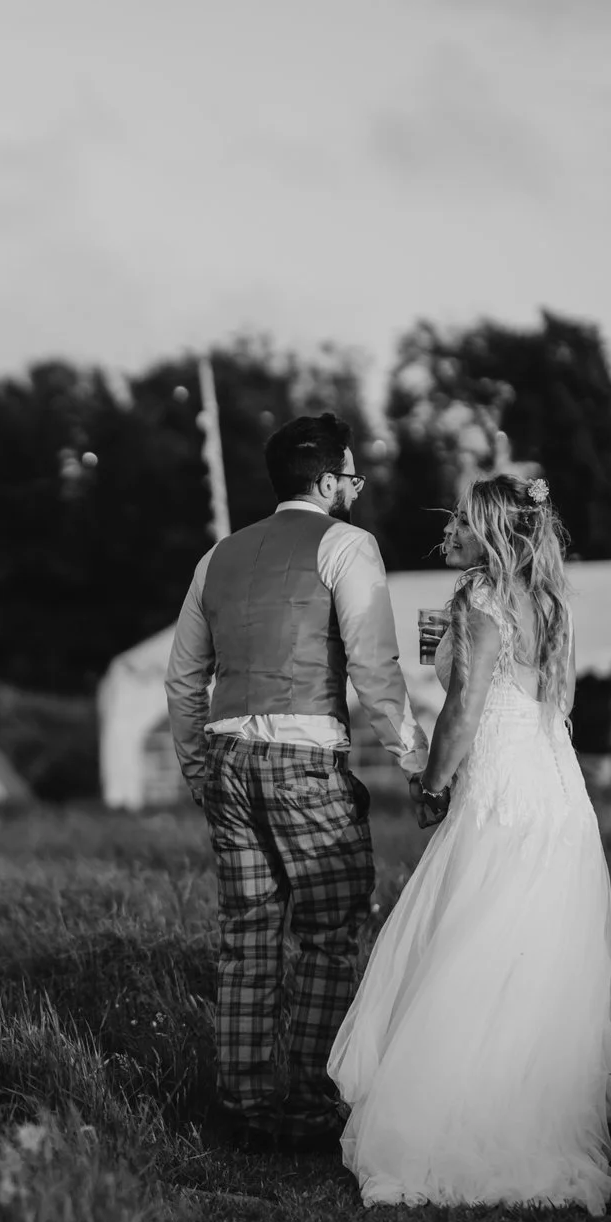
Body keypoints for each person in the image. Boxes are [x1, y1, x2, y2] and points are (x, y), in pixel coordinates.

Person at [328, 476, 611, 1212]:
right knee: (528, 954)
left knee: (467, 943)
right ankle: (528, 1105)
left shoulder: (478, 600)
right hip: (555, 789)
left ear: (494, 536)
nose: (451, 529)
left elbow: (467, 709)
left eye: (465, 522)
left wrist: (435, 783)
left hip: (500, 789)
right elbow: (551, 700)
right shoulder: (550, 602)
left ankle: (461, 1121)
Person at [164, 413, 427, 1146]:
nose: (357, 484)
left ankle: (245, 1109)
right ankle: (311, 1101)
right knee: (329, 930)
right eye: (349, 472)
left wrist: (198, 771)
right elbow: (375, 670)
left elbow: (184, 680)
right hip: (303, 761)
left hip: (226, 758)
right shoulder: (348, 546)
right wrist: (416, 760)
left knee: (247, 934)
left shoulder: (217, 557)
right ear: (323, 481)